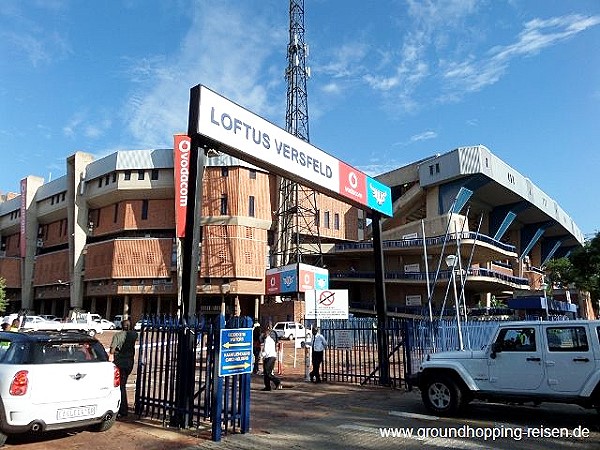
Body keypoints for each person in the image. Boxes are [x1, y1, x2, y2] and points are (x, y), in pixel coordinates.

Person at [110, 319, 138, 418]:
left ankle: (123, 409)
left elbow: (112, 350)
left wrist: (116, 350)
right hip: (129, 363)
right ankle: (123, 408)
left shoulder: (117, 335)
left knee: (120, 386)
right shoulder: (134, 335)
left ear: (122, 326)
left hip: (120, 362)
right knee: (123, 384)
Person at [261, 325, 281, 391]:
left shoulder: (267, 340)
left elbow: (266, 350)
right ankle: (267, 386)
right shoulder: (271, 340)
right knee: (266, 373)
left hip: (269, 357)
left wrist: (262, 355)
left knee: (267, 373)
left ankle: (277, 382)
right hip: (271, 357)